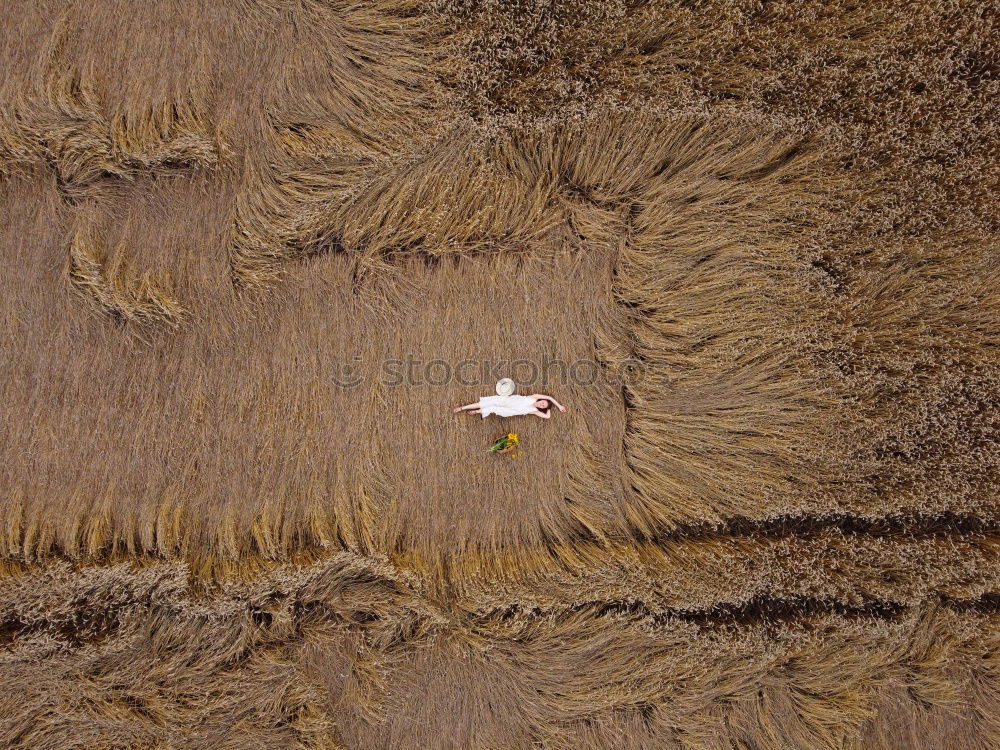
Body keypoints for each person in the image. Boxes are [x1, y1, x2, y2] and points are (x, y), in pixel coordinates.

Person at [453, 392, 568, 419]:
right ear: (541, 399)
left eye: (543, 406)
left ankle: (477, 412)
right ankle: (463, 408)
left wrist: (549, 408)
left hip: (510, 411)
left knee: (493, 408)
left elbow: (547, 416)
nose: (541, 404)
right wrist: (559, 405)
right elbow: (549, 398)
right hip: (506, 401)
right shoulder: (533, 397)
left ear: (541, 408)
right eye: (543, 402)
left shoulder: (534, 410)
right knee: (487, 402)